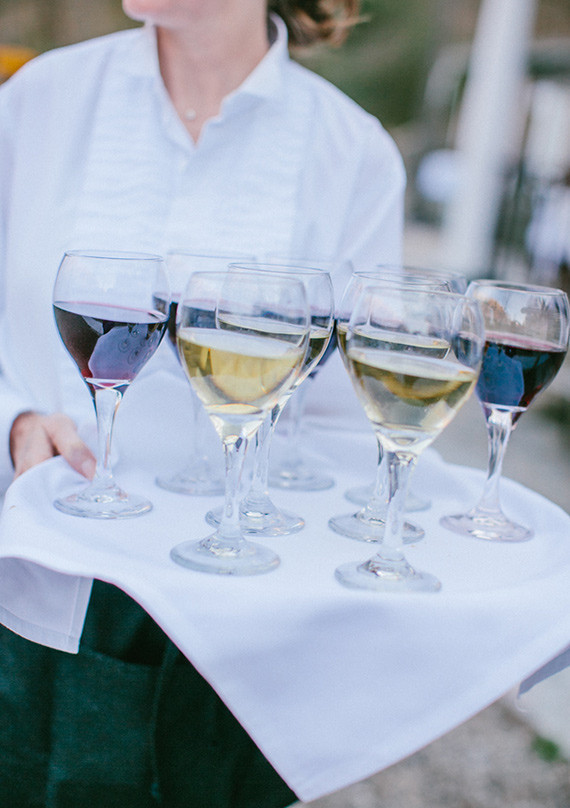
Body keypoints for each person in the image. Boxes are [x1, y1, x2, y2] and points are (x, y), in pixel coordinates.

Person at [0, 1, 405, 805]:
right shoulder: (37, 100)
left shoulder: (353, 152)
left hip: (230, 632)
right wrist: (12, 416)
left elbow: (347, 422)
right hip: (28, 589)